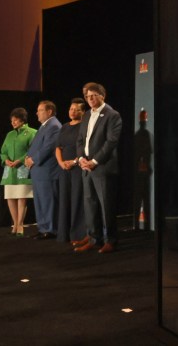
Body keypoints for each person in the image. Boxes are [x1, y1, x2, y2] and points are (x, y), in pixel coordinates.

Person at [74, 82, 121, 254]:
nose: (90, 99)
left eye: (94, 95)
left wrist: (94, 161)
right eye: (88, 96)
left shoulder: (112, 115)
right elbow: (80, 140)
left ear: (103, 95)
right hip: (86, 167)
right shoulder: (87, 115)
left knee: (106, 205)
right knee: (90, 204)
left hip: (102, 167)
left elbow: (111, 142)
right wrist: (81, 158)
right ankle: (94, 239)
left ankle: (110, 241)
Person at [25, 101, 61, 240]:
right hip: (38, 171)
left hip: (47, 171)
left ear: (49, 111)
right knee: (40, 201)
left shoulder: (54, 126)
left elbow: (49, 147)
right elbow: (36, 146)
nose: (37, 113)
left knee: (48, 201)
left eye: (40, 110)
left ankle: (51, 229)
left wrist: (33, 159)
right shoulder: (44, 126)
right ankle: (43, 228)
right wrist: (28, 157)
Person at [0, 108, 36, 237]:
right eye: (12, 120)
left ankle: (20, 225)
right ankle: (15, 223)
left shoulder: (32, 133)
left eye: (15, 120)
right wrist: (6, 160)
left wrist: (20, 160)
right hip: (9, 170)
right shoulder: (10, 134)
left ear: (22, 119)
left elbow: (33, 150)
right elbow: (3, 151)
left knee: (21, 197)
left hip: (23, 168)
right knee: (10, 196)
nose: (13, 122)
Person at [55, 98, 87, 243]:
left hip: (78, 167)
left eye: (77, 110)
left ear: (83, 112)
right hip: (64, 168)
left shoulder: (84, 127)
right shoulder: (64, 127)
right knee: (64, 199)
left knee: (77, 198)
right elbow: (58, 147)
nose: (73, 112)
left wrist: (74, 161)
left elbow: (86, 148)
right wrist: (61, 163)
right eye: (71, 109)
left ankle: (78, 234)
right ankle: (64, 234)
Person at [133, 108, 153, 231]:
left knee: (145, 200)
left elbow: (149, 152)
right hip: (140, 173)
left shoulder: (145, 135)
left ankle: (145, 226)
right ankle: (139, 226)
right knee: (140, 199)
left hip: (144, 172)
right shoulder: (141, 135)